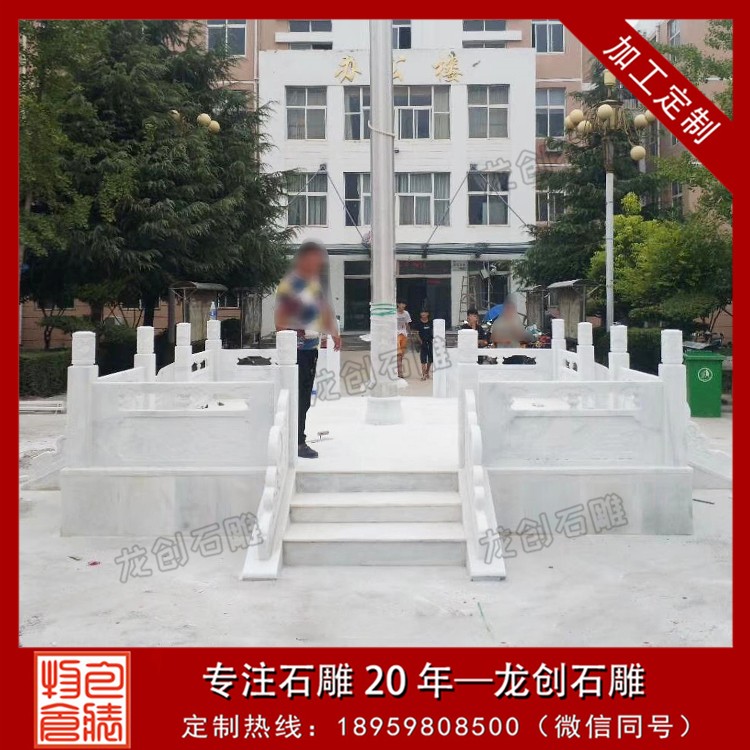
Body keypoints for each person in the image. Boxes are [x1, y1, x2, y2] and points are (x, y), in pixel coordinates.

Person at [274, 240, 341, 459]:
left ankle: (297, 437)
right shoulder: (290, 285)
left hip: (310, 350)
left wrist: (333, 333)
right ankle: (297, 442)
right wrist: (292, 337)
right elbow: (280, 320)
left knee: (304, 398)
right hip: (295, 353)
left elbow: (323, 311)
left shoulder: (314, 285)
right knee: (297, 397)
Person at [413, 310, 433, 380]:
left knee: (430, 358)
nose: (423, 314)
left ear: (427, 314)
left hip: (430, 342)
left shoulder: (431, 322)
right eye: (422, 313)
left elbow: (433, 331)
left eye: (424, 313)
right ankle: (424, 374)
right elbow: (416, 333)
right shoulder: (418, 323)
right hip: (422, 342)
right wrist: (420, 341)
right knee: (423, 358)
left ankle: (427, 371)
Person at [396, 300, 411, 379]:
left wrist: (409, 334)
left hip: (404, 334)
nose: (403, 305)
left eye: (404, 304)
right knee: (398, 354)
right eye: (402, 304)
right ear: (398, 304)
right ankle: (400, 372)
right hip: (396, 335)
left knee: (401, 355)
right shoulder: (394, 313)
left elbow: (407, 324)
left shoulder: (406, 313)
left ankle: (398, 369)